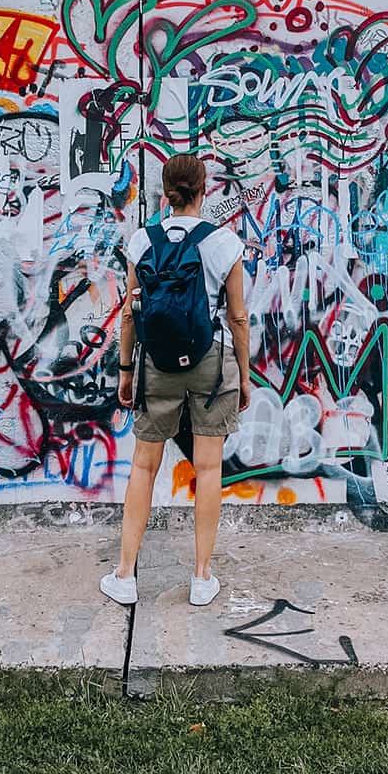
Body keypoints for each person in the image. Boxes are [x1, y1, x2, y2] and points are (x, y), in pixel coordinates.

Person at [100, 153, 250, 608]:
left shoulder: (142, 241)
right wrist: (242, 377)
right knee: (208, 469)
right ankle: (202, 577)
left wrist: (126, 371)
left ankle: (125, 575)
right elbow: (238, 317)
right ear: (204, 191)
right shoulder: (224, 243)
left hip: (156, 365)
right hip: (210, 364)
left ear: (165, 194)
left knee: (143, 467)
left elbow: (129, 313)